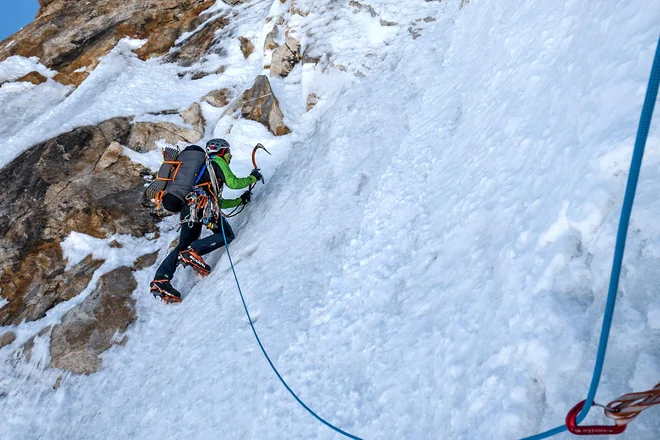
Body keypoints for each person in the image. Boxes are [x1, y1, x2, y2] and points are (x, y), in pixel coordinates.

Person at [150, 138, 263, 303]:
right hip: (203, 205)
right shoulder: (217, 161)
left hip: (190, 207)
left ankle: (161, 279)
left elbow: (220, 202)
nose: (230, 157)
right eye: (229, 153)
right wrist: (253, 178)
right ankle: (193, 251)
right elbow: (233, 183)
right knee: (226, 234)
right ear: (222, 151)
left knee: (183, 245)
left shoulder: (206, 171)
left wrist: (239, 201)